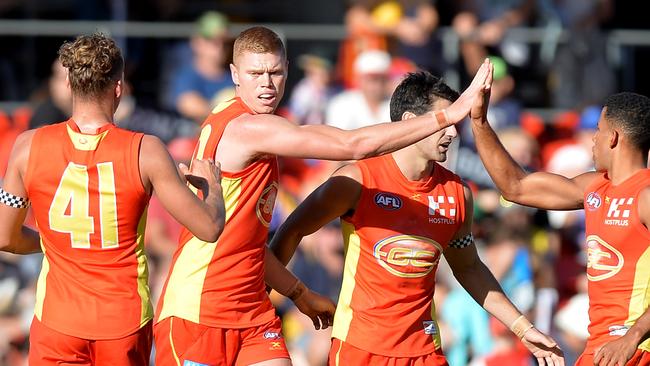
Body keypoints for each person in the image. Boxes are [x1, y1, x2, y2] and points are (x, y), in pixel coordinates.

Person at [154, 26, 493, 366]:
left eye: (275, 72)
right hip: (199, 308)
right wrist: (446, 116)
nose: (266, 84)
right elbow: (352, 145)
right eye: (255, 73)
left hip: (250, 310)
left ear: (287, 68)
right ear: (234, 75)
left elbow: (244, 244)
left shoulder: (258, 128)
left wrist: (298, 293)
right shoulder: (248, 128)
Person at [270, 70, 564, 366]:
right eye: (445, 122)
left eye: (455, 124)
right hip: (361, 350)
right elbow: (292, 230)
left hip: (425, 351)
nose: (452, 133)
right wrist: (282, 294)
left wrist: (523, 328)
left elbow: (470, 268)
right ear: (412, 122)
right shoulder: (356, 180)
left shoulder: (457, 192)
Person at [0, 33, 226, 365]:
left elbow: (5, 237)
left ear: (69, 82)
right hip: (124, 323)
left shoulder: (27, 146)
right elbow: (209, 227)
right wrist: (214, 190)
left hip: (57, 323)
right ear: (119, 87)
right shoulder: (146, 150)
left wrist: (58, 241)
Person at [470, 81, 650, 364]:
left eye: (598, 131)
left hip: (636, 347)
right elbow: (516, 187)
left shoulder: (646, 195)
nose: (593, 139)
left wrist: (632, 335)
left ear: (613, 137)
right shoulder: (594, 187)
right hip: (601, 348)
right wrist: (479, 122)